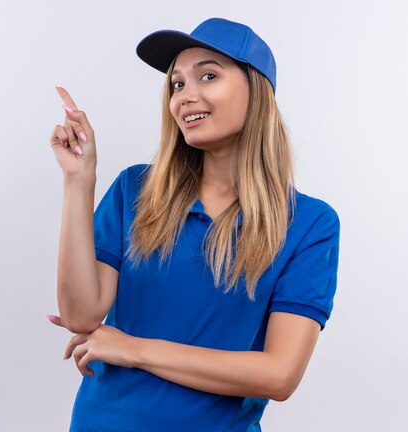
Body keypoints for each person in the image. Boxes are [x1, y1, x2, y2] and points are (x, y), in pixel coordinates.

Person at [47, 17, 341, 432]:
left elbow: (279, 375)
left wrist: (134, 349)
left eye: (208, 76)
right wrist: (78, 181)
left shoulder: (310, 224)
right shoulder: (135, 190)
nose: (186, 96)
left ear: (256, 91)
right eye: (177, 84)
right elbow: (80, 316)